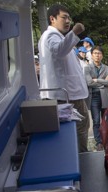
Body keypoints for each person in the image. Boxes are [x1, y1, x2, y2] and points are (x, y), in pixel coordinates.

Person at [38, 3, 90, 153]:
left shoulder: (57, 36)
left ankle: (78, 155)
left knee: (79, 126)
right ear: (52, 18)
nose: (68, 21)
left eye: (69, 18)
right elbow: (59, 51)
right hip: (67, 95)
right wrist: (74, 33)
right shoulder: (51, 35)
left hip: (67, 92)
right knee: (80, 126)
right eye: (64, 17)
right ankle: (81, 157)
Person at [84, 46, 108, 151]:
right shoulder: (87, 68)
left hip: (104, 96)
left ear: (102, 55)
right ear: (92, 55)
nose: (97, 55)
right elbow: (89, 82)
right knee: (96, 120)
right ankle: (99, 141)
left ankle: (106, 139)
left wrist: (96, 80)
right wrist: (102, 82)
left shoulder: (107, 68)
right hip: (94, 97)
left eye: (99, 53)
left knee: (106, 119)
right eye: (95, 53)